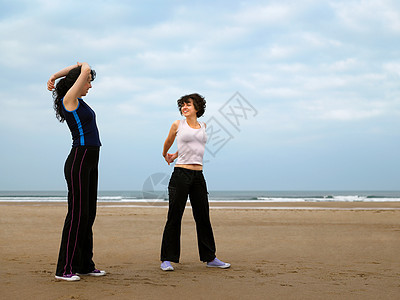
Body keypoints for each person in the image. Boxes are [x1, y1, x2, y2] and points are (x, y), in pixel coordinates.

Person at [47, 62, 106, 281]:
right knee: (77, 215)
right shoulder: (69, 101)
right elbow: (84, 65)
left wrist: (54, 74)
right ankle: (64, 269)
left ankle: (84, 264)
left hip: (91, 159)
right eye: (88, 81)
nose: (90, 85)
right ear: (76, 83)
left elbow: (81, 67)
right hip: (80, 159)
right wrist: (61, 75)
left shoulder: (79, 101)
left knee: (88, 214)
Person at [160, 93, 230, 271]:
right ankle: (167, 259)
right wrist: (166, 154)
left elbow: (192, 145)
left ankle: (210, 257)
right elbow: (168, 141)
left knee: (203, 217)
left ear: (197, 108)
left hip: (199, 176)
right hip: (180, 175)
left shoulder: (203, 125)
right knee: (174, 216)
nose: (184, 107)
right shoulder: (178, 124)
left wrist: (177, 152)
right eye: (182, 105)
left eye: (188, 105)